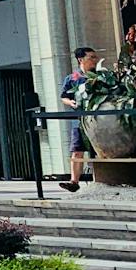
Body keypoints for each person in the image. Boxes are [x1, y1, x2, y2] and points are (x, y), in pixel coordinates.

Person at [59, 46, 98, 192]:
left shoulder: (100, 75)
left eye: (95, 57)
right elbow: (64, 96)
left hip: (98, 119)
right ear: (80, 60)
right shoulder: (73, 78)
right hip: (80, 119)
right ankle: (74, 181)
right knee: (77, 150)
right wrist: (71, 103)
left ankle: (100, 179)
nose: (95, 60)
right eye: (91, 57)